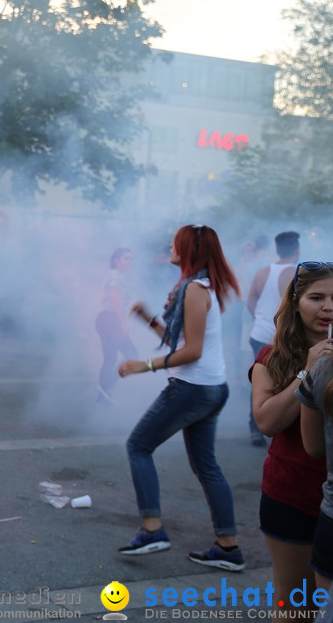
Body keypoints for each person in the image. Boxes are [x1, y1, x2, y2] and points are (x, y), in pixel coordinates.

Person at [118, 224, 244, 571]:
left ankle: (152, 530)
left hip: (192, 389)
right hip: (211, 389)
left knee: (138, 447)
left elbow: (192, 351)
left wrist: (142, 365)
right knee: (206, 466)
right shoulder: (203, 287)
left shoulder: (193, 290)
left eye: (175, 243)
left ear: (187, 251)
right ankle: (228, 547)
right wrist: (148, 320)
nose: (170, 247)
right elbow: (181, 341)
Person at [251, 262, 332, 614]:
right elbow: (266, 421)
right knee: (297, 607)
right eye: (317, 298)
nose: (328, 307)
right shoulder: (272, 358)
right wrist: (308, 372)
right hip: (292, 496)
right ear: (296, 302)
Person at [295, 276, 333, 619]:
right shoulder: (319, 366)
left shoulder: (323, 368)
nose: (328, 308)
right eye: (317, 297)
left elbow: (314, 447)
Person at [248, 232, 302, 445]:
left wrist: (261, 320)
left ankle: (254, 429)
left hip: (259, 335)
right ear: (297, 251)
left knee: (259, 383)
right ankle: (281, 428)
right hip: (281, 338)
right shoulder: (296, 273)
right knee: (287, 381)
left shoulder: (263, 271)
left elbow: (250, 301)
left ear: (277, 250)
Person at [95, 248, 139, 404]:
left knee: (112, 358)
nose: (129, 262)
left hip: (109, 320)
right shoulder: (115, 276)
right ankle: (105, 390)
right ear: (116, 260)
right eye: (126, 258)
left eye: (131, 259)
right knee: (130, 355)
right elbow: (116, 301)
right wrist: (123, 323)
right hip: (109, 320)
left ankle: (104, 394)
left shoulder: (120, 277)